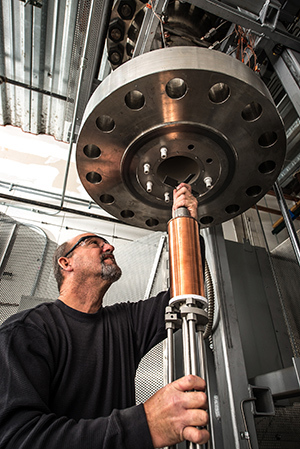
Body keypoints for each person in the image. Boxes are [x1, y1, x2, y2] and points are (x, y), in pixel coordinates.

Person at [0, 183, 209, 449]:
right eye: (94, 243)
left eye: (107, 242)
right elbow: (18, 439)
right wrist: (145, 424)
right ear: (66, 263)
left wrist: (186, 223)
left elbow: (181, 294)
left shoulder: (125, 322)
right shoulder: (26, 331)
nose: (109, 246)